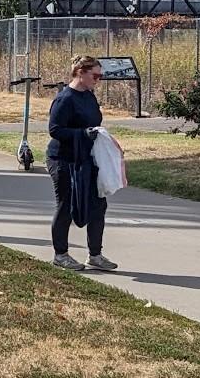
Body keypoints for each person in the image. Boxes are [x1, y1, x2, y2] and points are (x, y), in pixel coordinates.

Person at [46, 55, 117, 272]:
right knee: (66, 204)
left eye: (100, 76)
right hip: (63, 159)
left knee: (98, 205)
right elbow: (55, 130)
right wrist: (82, 134)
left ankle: (95, 255)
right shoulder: (64, 99)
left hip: (87, 158)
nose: (98, 80)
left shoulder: (89, 96)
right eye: (95, 75)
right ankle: (61, 255)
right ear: (80, 72)